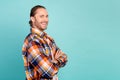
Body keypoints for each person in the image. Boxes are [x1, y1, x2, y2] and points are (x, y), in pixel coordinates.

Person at [22, 5, 68, 80]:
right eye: (41, 16)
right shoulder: (32, 41)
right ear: (32, 19)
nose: (45, 19)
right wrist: (57, 61)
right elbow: (49, 71)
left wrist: (54, 62)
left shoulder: (48, 38)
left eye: (47, 16)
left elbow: (65, 57)